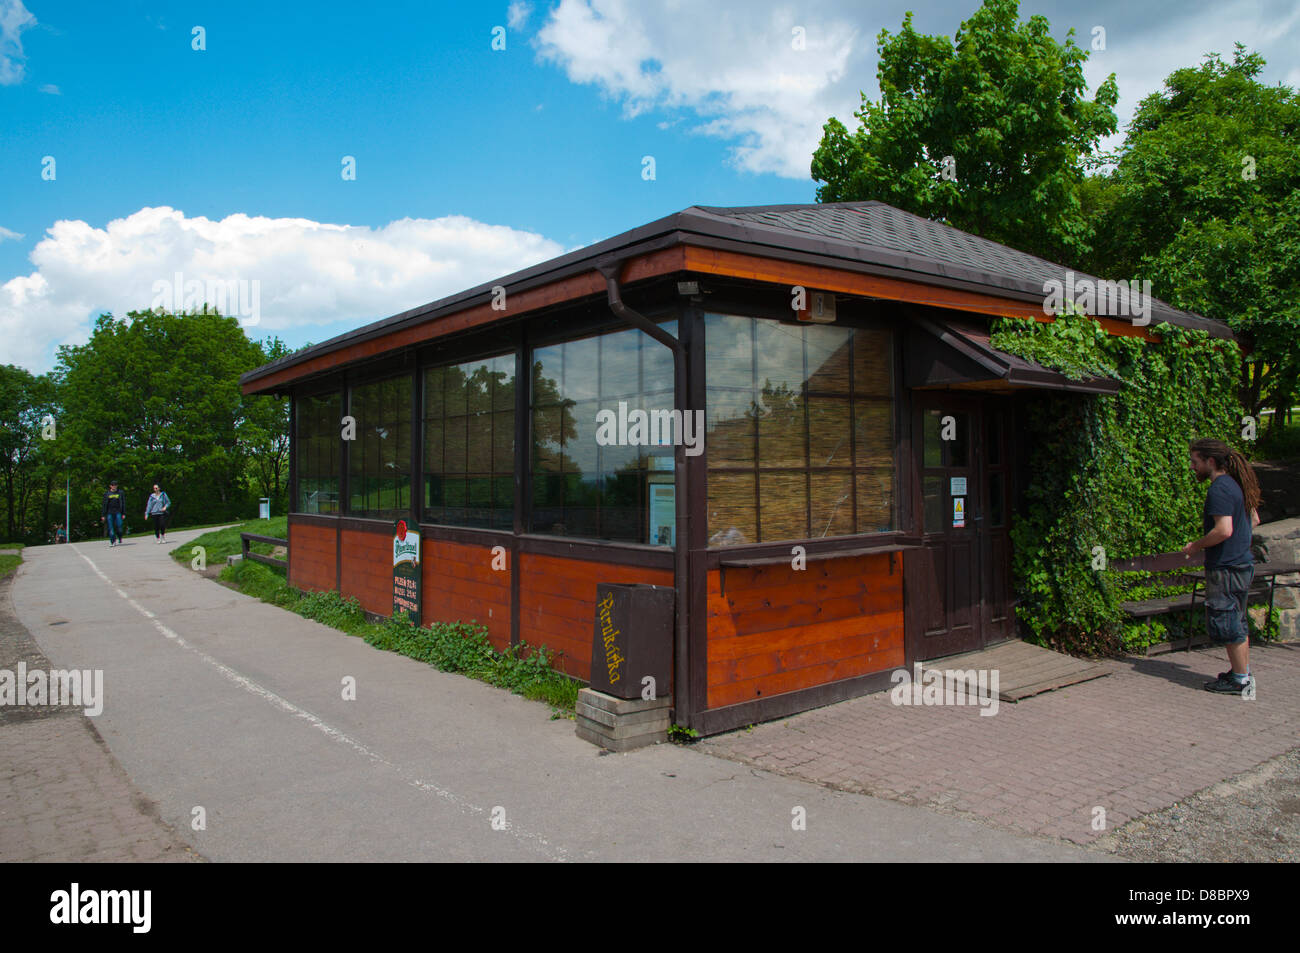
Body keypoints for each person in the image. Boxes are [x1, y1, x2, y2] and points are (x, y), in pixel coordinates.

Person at [1181, 438, 1261, 695]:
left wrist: (1196, 545)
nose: (1192, 467)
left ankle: (1240, 681)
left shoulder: (1219, 489)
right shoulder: (1237, 484)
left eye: (1195, 462)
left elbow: (1223, 530)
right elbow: (1254, 520)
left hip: (1226, 568)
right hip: (1241, 564)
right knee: (1237, 620)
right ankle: (1241, 673)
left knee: (1228, 622)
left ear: (1210, 461)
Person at [101, 480, 126, 546]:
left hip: (118, 512)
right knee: (111, 527)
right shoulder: (107, 494)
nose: (114, 486)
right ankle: (113, 541)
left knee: (119, 526)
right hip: (109, 513)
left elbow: (123, 503)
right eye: (113, 485)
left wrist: (123, 513)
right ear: (110, 486)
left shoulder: (120, 493)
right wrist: (103, 515)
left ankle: (120, 537)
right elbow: (104, 505)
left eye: (115, 485)